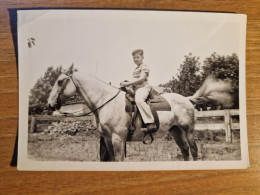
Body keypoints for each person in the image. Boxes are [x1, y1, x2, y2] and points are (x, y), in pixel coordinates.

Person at [120, 49, 157, 132]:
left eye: (137, 57)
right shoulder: (135, 69)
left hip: (143, 88)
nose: (135, 59)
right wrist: (125, 84)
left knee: (139, 100)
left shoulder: (144, 66)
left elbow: (142, 79)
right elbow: (134, 82)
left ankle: (150, 122)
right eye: (134, 58)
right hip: (136, 89)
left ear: (142, 57)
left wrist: (129, 83)